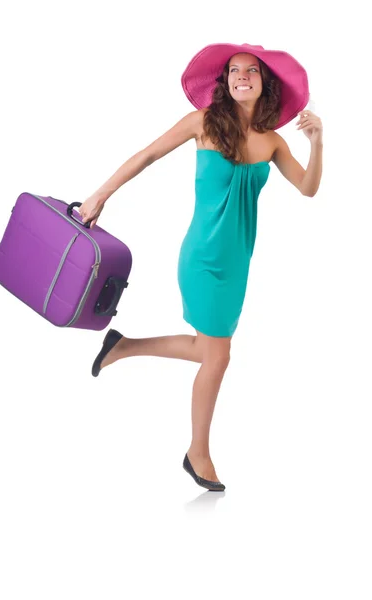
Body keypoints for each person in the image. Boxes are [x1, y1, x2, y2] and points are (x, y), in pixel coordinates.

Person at [78, 43, 323, 492]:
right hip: (203, 258)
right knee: (219, 355)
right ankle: (198, 453)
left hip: (238, 264)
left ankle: (123, 346)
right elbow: (147, 155)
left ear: (265, 83)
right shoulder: (204, 123)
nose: (242, 76)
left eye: (251, 70)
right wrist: (100, 194)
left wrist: (317, 141)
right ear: (225, 81)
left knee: (207, 349)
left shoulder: (272, 141)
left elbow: (307, 188)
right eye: (234, 70)